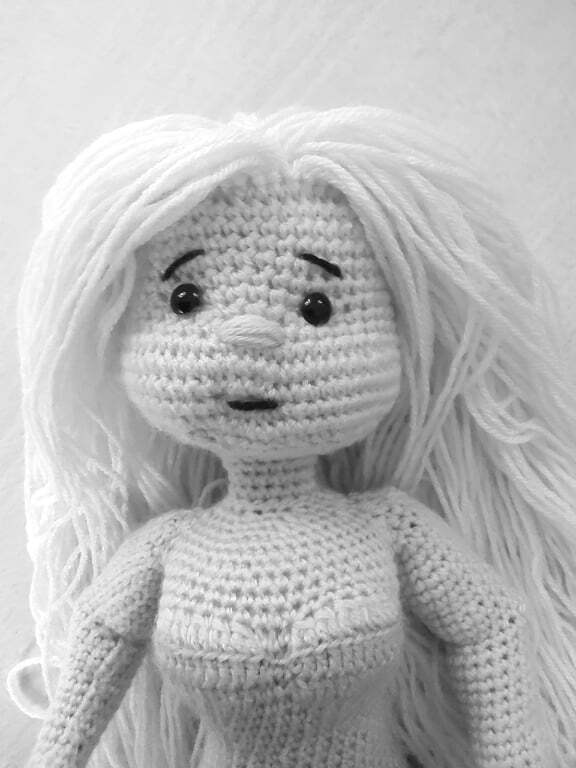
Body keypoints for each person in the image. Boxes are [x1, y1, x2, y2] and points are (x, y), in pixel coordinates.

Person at [15, 107, 576, 767]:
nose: (250, 334)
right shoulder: (163, 549)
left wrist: (513, 754)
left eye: (316, 307)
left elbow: (490, 621)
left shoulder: (388, 528)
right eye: (188, 300)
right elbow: (101, 640)